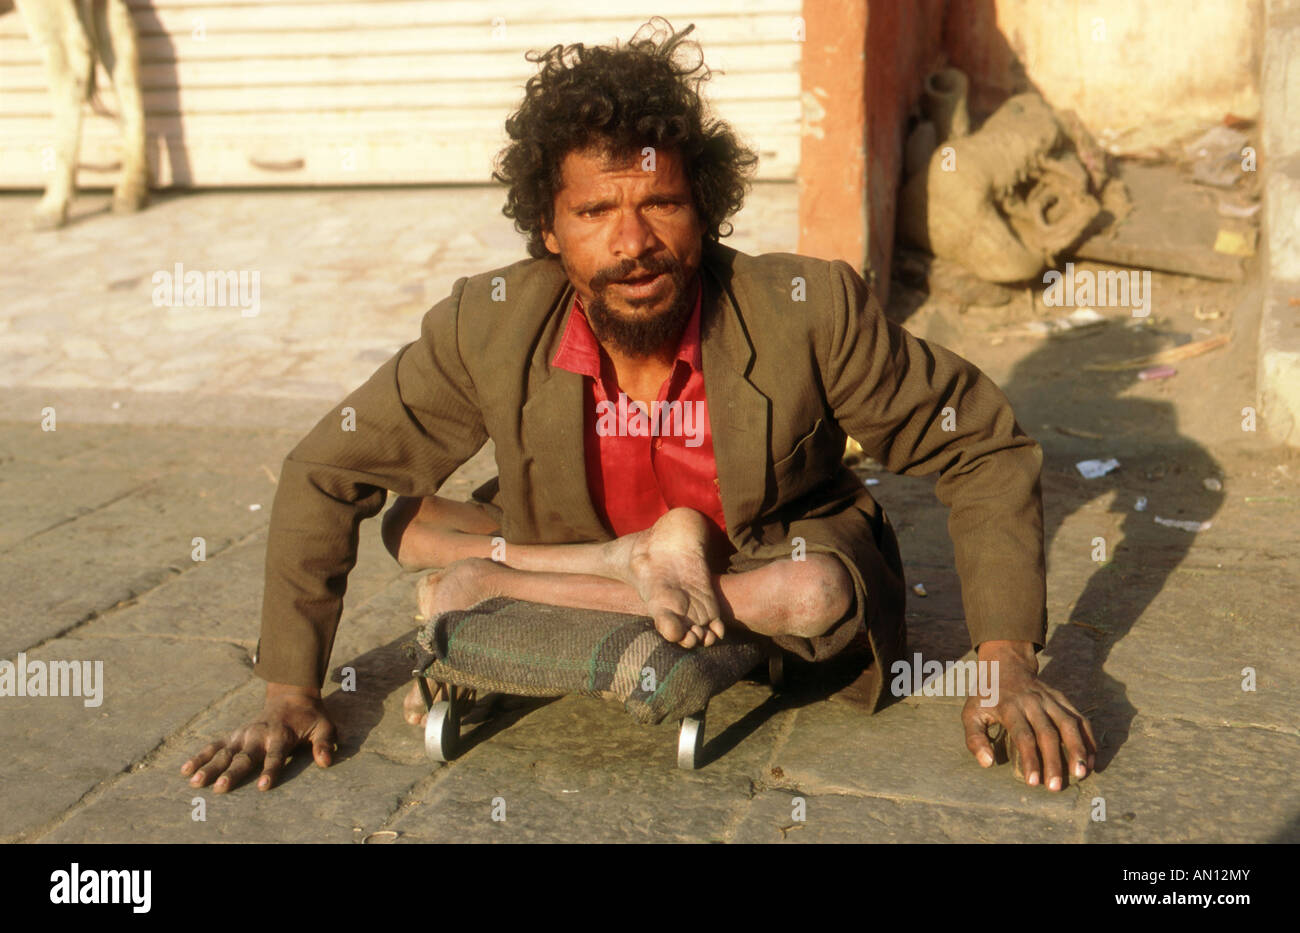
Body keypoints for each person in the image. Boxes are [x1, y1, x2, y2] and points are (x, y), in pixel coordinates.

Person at [182, 19, 1095, 796]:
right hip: (579, 538)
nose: (633, 243)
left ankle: (525, 587)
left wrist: (1005, 665)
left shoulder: (807, 312)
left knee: (816, 590)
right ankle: (628, 561)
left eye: (661, 203)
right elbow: (326, 467)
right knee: (410, 519)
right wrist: (288, 692)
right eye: (594, 213)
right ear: (548, 228)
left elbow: (980, 444)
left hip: (755, 562)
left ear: (706, 210)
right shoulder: (488, 324)